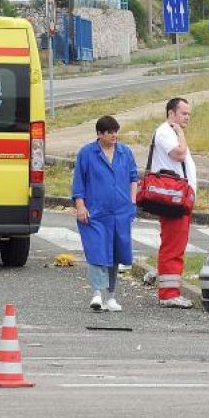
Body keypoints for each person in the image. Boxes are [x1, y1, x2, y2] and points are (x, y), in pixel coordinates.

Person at [72, 116, 138, 313]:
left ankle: (111, 295)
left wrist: (132, 201)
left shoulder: (125, 152)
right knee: (97, 252)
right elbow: (79, 182)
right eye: (110, 132)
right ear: (100, 134)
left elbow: (133, 177)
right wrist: (80, 205)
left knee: (115, 254)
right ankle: (97, 294)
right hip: (95, 213)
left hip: (120, 212)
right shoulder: (87, 153)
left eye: (116, 131)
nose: (114, 135)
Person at [151, 97, 197, 309]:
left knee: (177, 245)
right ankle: (168, 293)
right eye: (183, 113)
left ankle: (171, 291)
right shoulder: (165, 132)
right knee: (172, 246)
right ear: (171, 113)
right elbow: (179, 154)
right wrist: (180, 133)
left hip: (180, 198)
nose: (187, 117)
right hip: (173, 198)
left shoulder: (168, 132)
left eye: (188, 114)